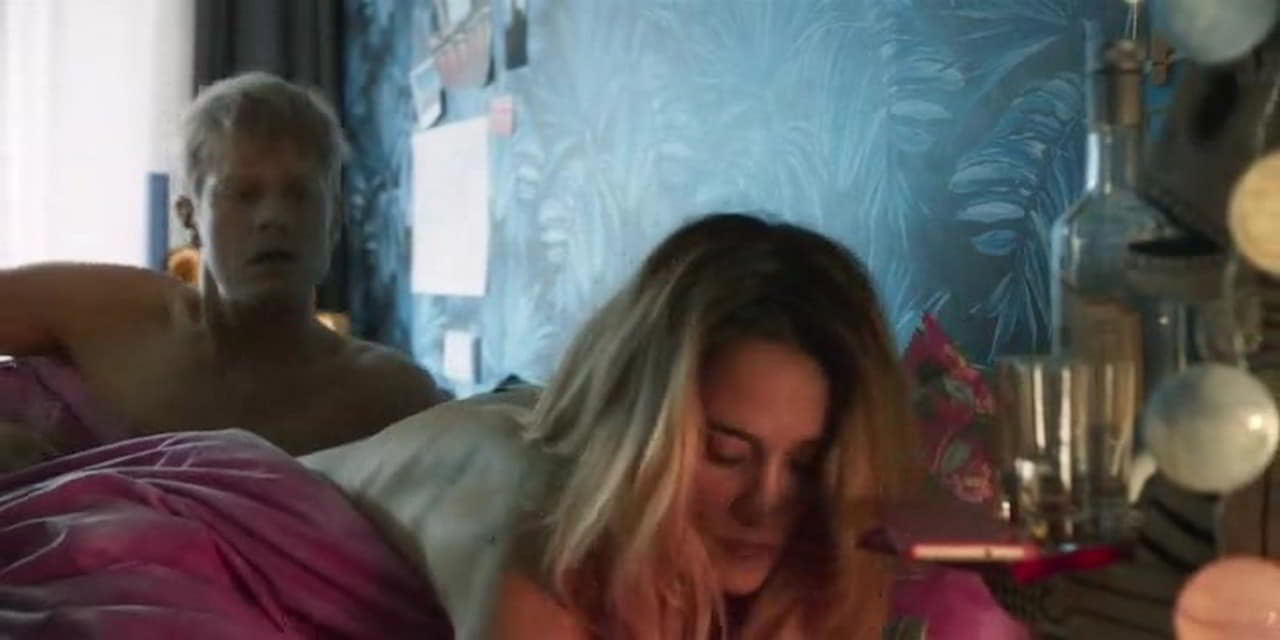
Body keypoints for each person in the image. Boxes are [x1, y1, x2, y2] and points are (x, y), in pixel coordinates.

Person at [491, 213, 925, 639]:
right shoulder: (548, 585)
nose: (763, 505)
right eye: (725, 454)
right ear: (636, 446)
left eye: (805, 465)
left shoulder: (823, 581)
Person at [0, 72, 446, 455]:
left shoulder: (388, 395)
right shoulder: (104, 313)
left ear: (335, 220)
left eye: (300, 194)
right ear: (190, 218)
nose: (274, 217)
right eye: (242, 193)